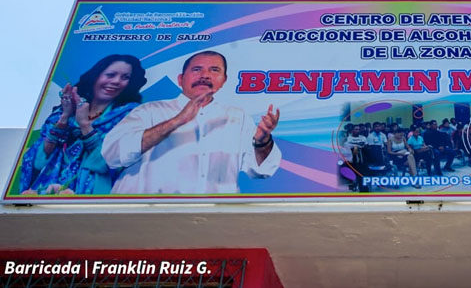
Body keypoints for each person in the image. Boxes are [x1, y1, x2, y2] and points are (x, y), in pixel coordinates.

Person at [102, 51, 281, 194]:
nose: (205, 75)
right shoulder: (150, 110)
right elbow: (112, 154)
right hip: (145, 220)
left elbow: (261, 170)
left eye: (214, 70)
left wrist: (262, 141)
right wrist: (177, 120)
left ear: (223, 80)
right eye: (197, 70)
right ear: (180, 79)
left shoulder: (237, 117)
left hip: (213, 221)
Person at [19, 54, 147, 195]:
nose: (117, 81)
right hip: (46, 194)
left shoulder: (130, 114)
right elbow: (37, 162)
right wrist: (64, 119)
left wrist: (85, 125)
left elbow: (107, 162)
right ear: (95, 76)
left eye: (125, 77)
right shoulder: (61, 113)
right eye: (110, 75)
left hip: (92, 197)